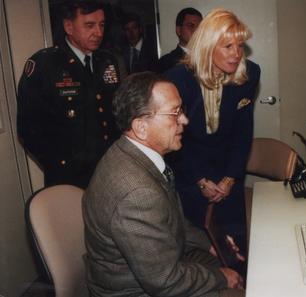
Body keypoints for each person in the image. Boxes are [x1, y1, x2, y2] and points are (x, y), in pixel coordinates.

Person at [83, 72, 245, 297]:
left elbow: (173, 222)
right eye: (174, 113)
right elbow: (164, 281)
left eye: (182, 110)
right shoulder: (137, 192)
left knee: (235, 266)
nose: (184, 121)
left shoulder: (134, 153)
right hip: (137, 289)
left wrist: (212, 245)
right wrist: (221, 277)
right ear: (141, 127)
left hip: (160, 264)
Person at [164, 8, 261, 276]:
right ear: (208, 46)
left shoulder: (249, 74)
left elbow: (243, 133)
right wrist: (201, 180)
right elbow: (174, 139)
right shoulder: (178, 79)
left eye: (240, 45)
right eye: (227, 46)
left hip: (228, 171)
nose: (236, 53)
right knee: (201, 254)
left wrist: (229, 179)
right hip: (190, 172)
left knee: (235, 250)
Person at [17, 0, 121, 189]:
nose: (98, 32)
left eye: (102, 24)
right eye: (89, 25)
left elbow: (117, 115)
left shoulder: (107, 61)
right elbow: (28, 129)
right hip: (69, 177)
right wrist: (60, 165)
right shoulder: (45, 65)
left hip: (110, 170)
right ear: (68, 26)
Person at [158, 7, 202, 73]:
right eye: (191, 26)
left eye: (200, 27)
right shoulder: (166, 62)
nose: (197, 31)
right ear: (178, 30)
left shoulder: (209, 58)